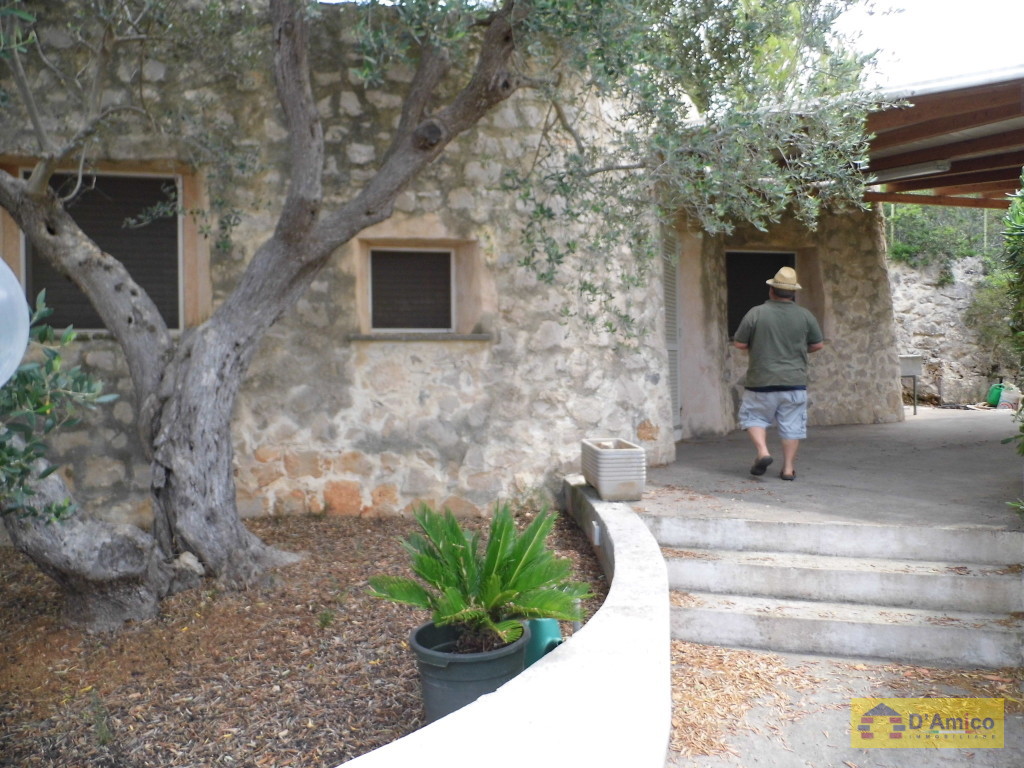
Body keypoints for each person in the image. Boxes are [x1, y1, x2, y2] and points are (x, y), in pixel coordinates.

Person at [732, 266, 824, 481]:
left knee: (753, 416)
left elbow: (739, 343)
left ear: (771, 290)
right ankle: (788, 469)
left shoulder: (756, 313)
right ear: (793, 293)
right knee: (792, 425)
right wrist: (799, 349)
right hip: (794, 381)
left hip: (761, 380)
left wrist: (758, 346)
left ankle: (763, 452)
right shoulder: (805, 315)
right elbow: (817, 344)